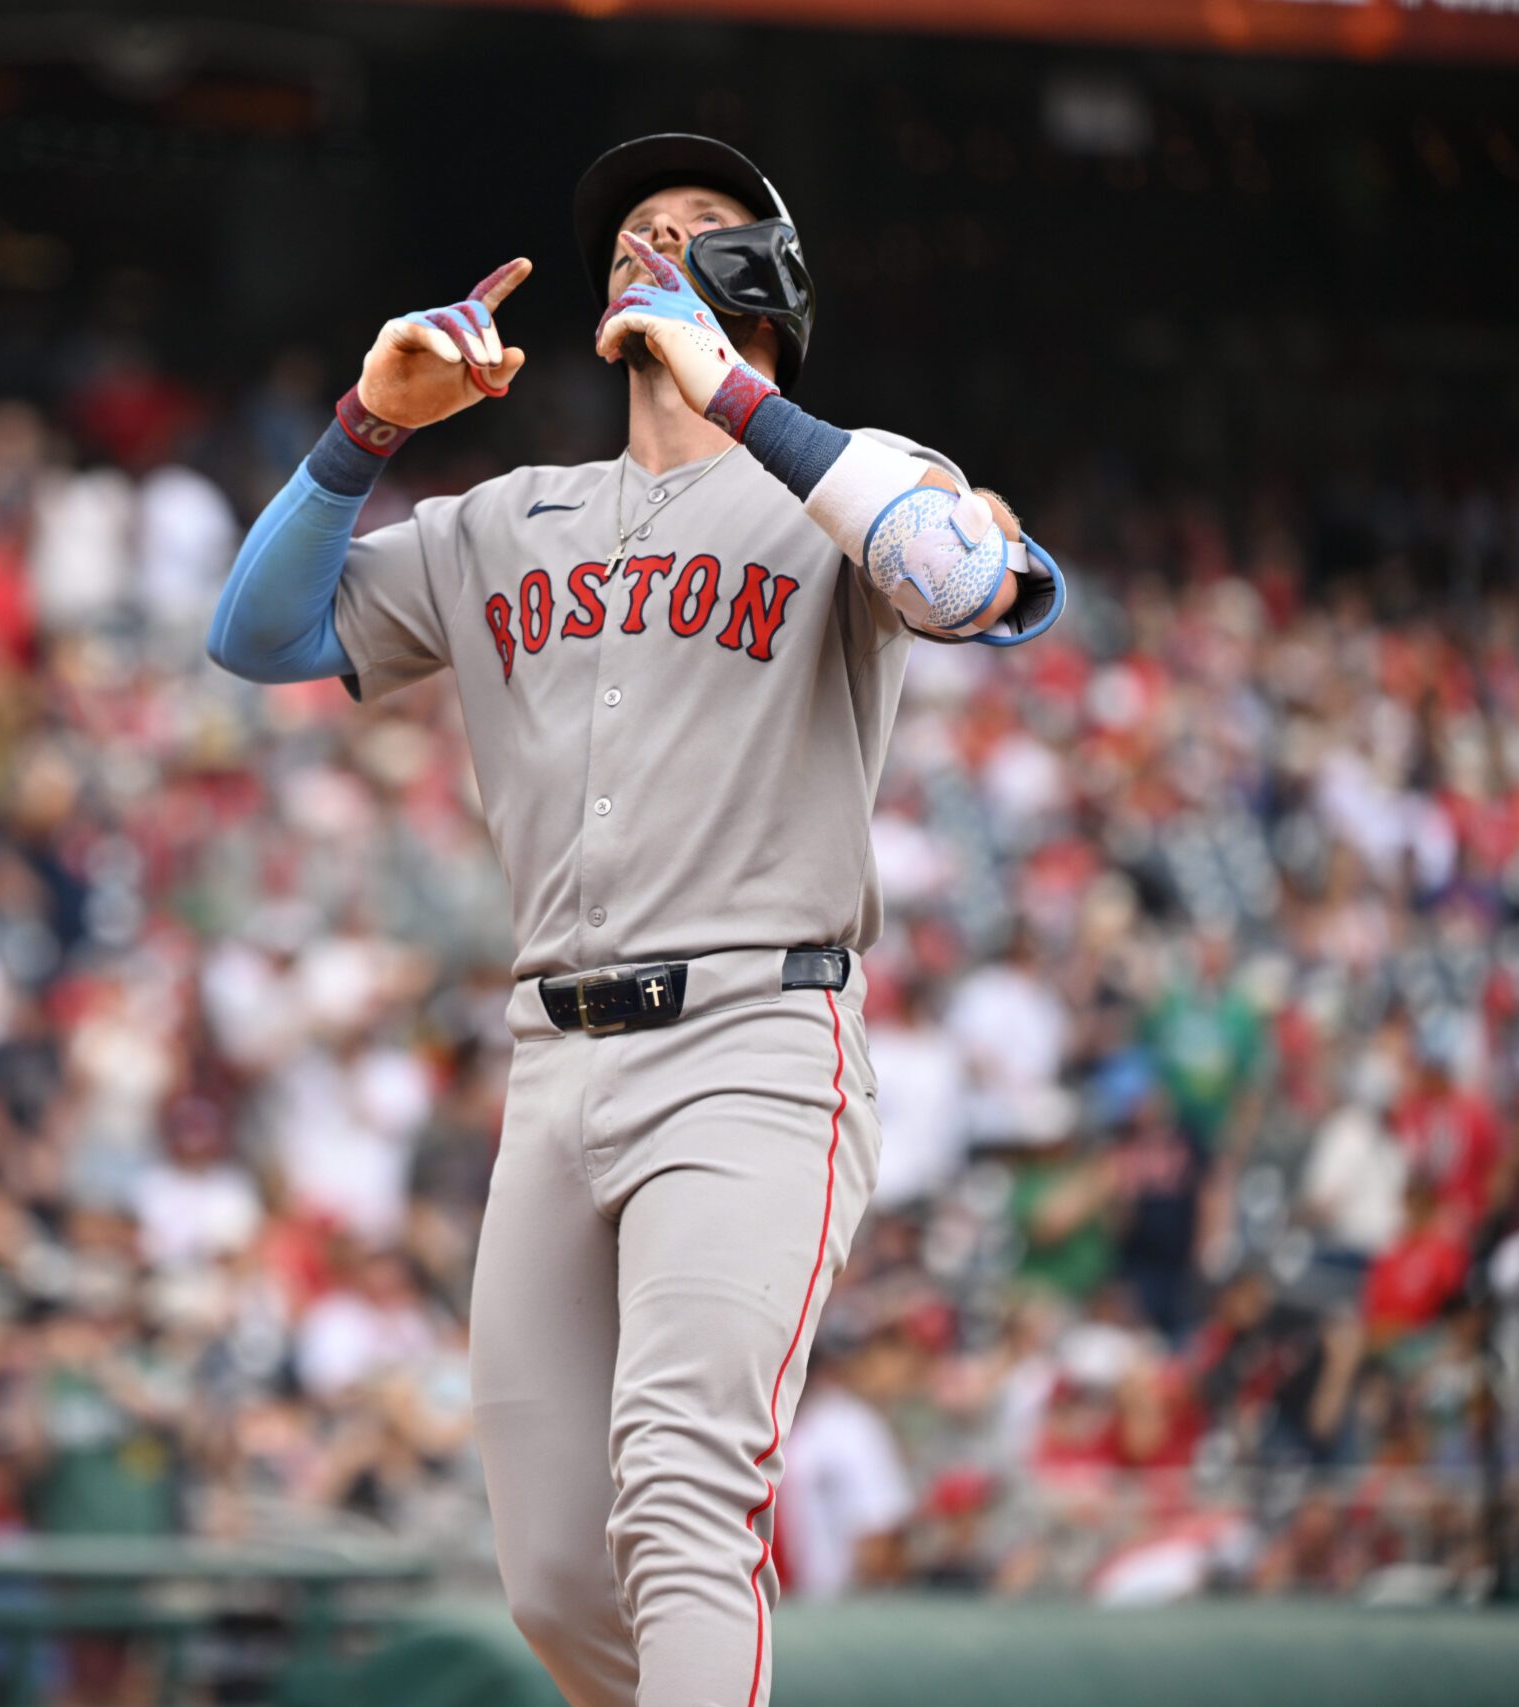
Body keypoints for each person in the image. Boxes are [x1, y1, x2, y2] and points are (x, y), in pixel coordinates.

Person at [208, 132, 1064, 1707]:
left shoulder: (848, 477)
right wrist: (363, 428)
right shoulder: (508, 519)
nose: (647, 243)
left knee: (682, 1494)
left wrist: (738, 393)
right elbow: (257, 634)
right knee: (547, 1570)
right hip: (554, 1065)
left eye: (695, 229)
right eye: (632, 231)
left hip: (754, 1041)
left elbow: (972, 586)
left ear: (765, 283)